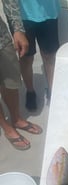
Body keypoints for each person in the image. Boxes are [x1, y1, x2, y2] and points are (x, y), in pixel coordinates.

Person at [0, 0, 42, 151]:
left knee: (11, 80)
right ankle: (6, 127)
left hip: (1, 37)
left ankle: (16, 119)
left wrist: (17, 29)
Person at [18, 0, 60, 111]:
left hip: (49, 11)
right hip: (22, 13)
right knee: (26, 57)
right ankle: (30, 91)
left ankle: (52, 90)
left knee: (50, 56)